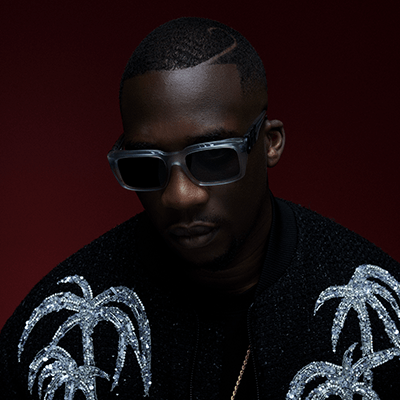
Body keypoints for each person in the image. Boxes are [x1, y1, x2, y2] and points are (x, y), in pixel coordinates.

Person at [1, 17, 399, 400]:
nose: (180, 196)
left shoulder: (379, 309)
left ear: (270, 143)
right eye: (146, 166)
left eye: (213, 158)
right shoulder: (54, 331)